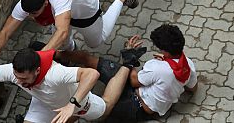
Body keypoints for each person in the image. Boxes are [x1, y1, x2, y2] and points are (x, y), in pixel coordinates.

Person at [0, 0, 139, 68]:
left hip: (85, 12)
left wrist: (38, 57)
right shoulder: (27, 3)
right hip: (63, 17)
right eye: (27, 13)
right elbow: (5, 32)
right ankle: (71, 55)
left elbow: (62, 32)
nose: (29, 17)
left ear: (46, 1)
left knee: (97, 41)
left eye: (34, 14)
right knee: (62, 44)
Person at [60, 24, 198, 121]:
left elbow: (133, 80)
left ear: (164, 51)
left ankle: (55, 55)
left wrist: (130, 55)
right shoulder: (188, 65)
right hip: (144, 103)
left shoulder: (156, 67)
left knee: (89, 109)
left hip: (135, 106)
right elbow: (192, 88)